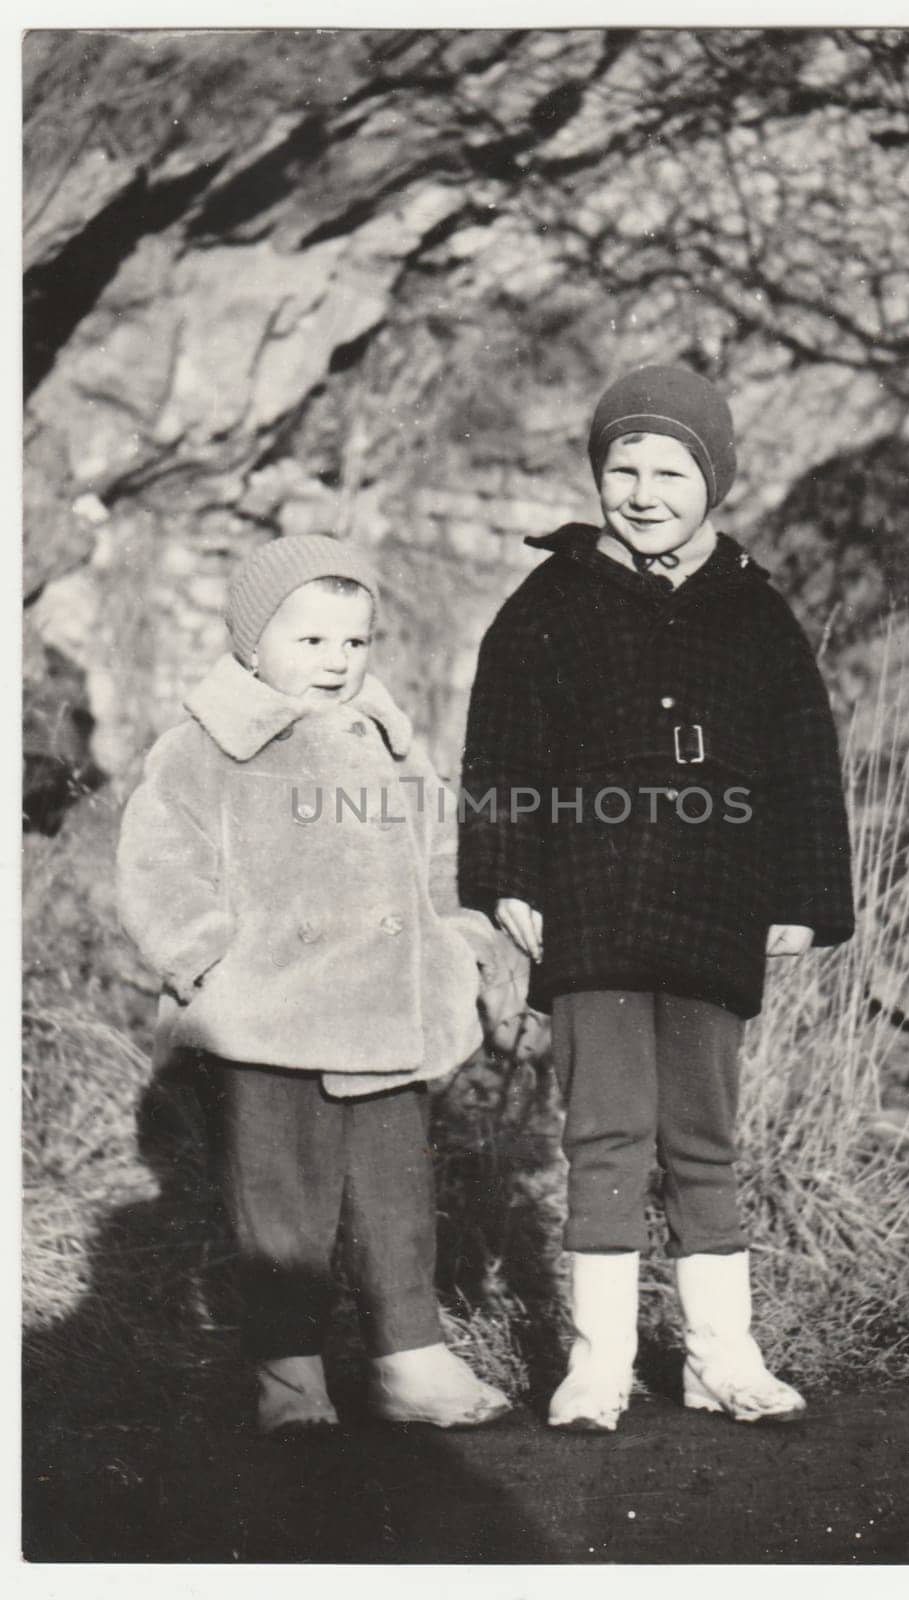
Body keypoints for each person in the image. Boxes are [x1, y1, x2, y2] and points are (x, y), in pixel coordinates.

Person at [458, 365, 855, 1432]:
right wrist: (505, 875)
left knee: (700, 1136)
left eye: (668, 469)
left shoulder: (755, 612)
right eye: (620, 467)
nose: (641, 490)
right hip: (588, 907)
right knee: (605, 1135)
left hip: (715, 906)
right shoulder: (547, 603)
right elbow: (500, 748)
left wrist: (805, 894)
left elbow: (803, 763)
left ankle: (721, 1357)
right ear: (596, 475)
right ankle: (599, 1364)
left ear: (712, 482)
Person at [118, 534, 513, 1434]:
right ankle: (290, 1379)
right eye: (311, 640)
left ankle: (410, 1360)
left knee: (396, 1193)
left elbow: (443, 850)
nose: (337, 662)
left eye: (355, 642)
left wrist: (456, 940)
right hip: (270, 1012)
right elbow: (158, 861)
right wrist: (205, 955)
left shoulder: (390, 743)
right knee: (279, 1207)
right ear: (252, 644)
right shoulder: (204, 746)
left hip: (384, 1008)